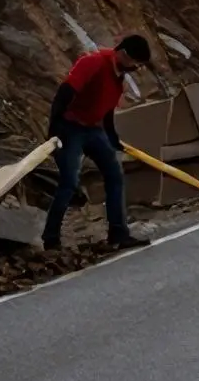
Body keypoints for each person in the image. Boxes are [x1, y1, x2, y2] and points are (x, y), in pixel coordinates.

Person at [43, 35, 152, 251]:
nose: (137, 68)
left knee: (115, 175)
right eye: (136, 62)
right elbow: (65, 92)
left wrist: (112, 138)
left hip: (93, 129)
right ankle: (51, 239)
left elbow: (107, 111)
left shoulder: (118, 77)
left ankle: (118, 234)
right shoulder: (93, 62)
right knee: (69, 182)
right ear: (124, 54)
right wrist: (55, 129)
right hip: (70, 127)